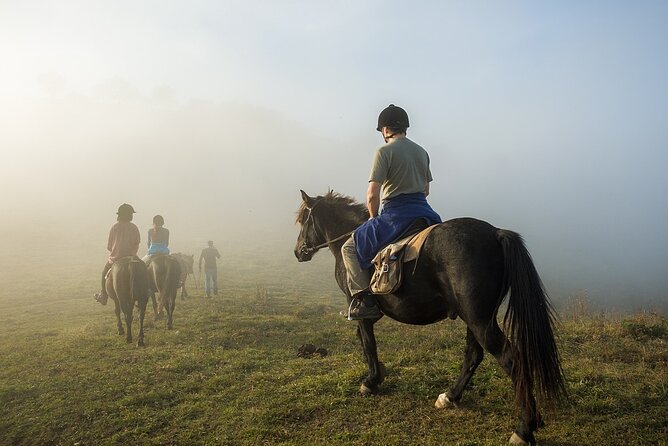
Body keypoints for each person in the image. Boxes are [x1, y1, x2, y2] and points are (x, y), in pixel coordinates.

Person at [341, 104, 442, 320]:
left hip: (396, 215)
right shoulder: (421, 152)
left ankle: (364, 301)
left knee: (349, 248)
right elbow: (425, 190)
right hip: (426, 213)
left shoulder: (383, 151)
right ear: (405, 127)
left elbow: (372, 195)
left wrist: (372, 218)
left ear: (385, 130)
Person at [94, 203, 141, 305]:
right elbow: (136, 242)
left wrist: (116, 251)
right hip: (131, 256)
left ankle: (104, 296)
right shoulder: (134, 227)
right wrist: (132, 253)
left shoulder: (114, 227)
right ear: (129, 215)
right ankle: (145, 291)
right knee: (143, 269)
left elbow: (109, 246)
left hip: (116, 258)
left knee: (104, 274)